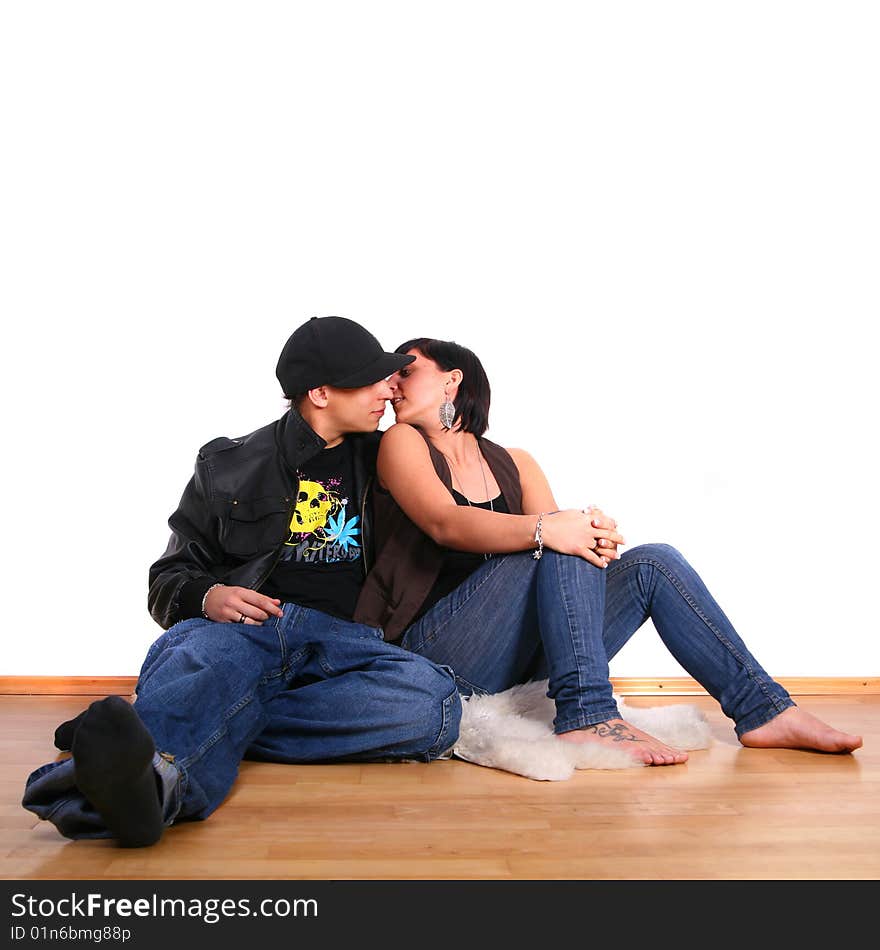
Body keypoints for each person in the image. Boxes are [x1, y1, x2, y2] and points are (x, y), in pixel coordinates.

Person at [22, 317, 462, 847]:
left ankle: (168, 726)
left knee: (433, 703)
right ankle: (153, 786)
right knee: (212, 662)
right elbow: (168, 576)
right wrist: (209, 596)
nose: (386, 389)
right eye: (370, 380)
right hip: (242, 630)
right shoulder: (228, 465)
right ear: (320, 393)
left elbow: (455, 506)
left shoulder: (390, 457)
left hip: (344, 643)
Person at [353, 337, 862, 765]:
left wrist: (590, 531)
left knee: (652, 562)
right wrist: (561, 529)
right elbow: (447, 523)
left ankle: (764, 709)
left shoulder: (516, 462)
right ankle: (587, 714)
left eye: (406, 372)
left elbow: (557, 559)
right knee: (558, 533)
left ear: (452, 380)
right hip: (439, 659)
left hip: (517, 663)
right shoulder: (401, 441)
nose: (391, 385)